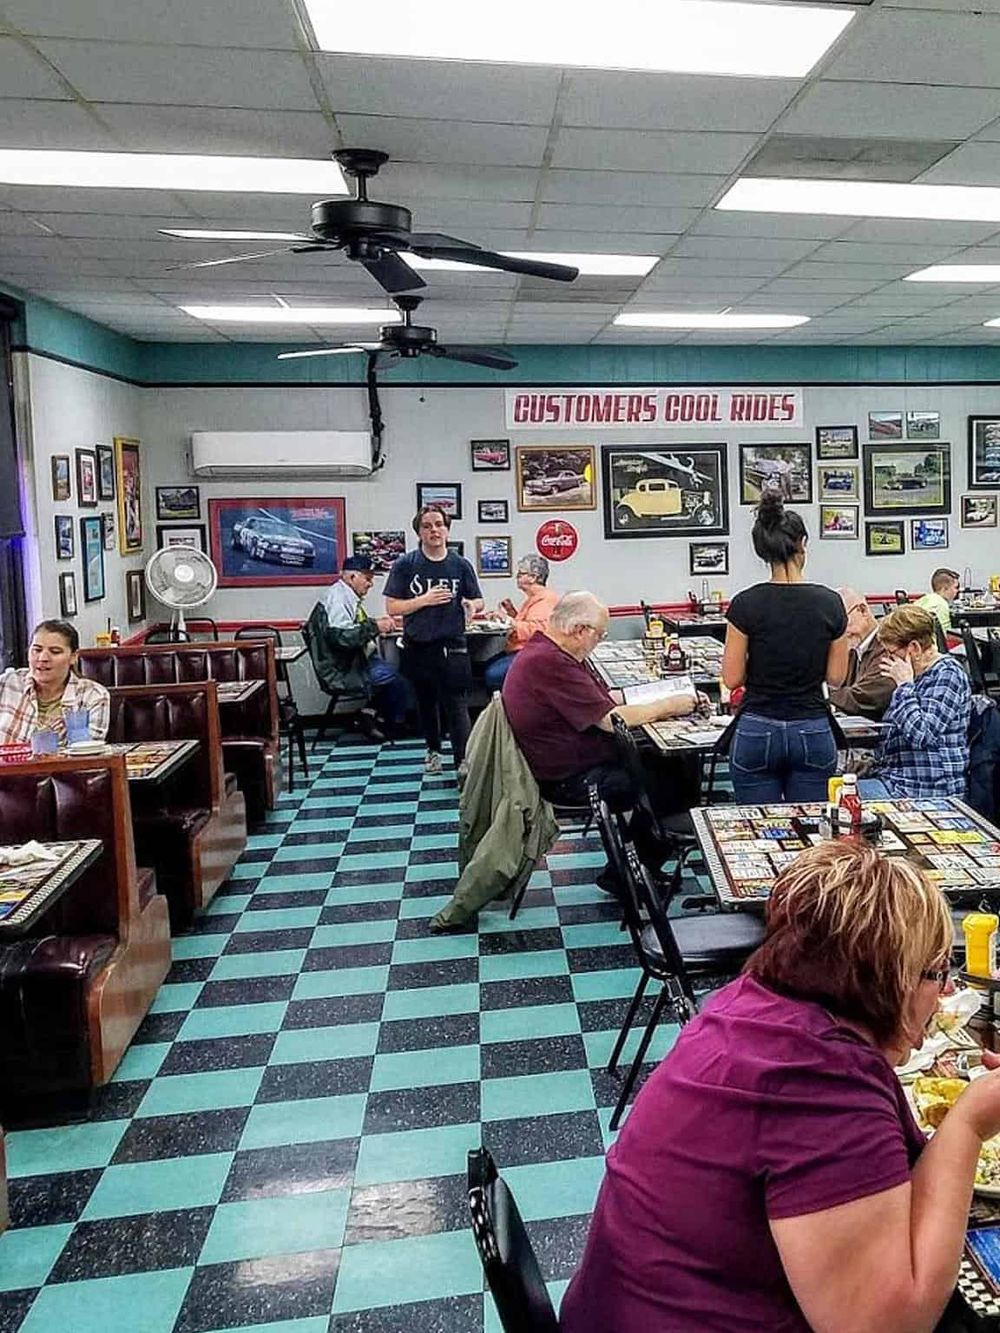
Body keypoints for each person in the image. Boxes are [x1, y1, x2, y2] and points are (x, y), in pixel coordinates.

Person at [561, 838, 1000, 1333]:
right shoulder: (816, 1079)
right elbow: (884, 1323)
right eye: (936, 972)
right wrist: (968, 1122)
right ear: (885, 978)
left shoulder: (751, 1006)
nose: (945, 991)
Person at [502, 590, 699, 876]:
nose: (598, 642)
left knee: (669, 765)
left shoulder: (548, 651)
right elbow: (610, 720)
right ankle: (629, 874)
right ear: (579, 630)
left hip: (572, 761)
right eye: (600, 635)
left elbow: (603, 699)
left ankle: (637, 865)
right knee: (671, 781)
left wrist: (659, 696)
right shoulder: (550, 663)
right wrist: (669, 705)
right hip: (568, 779)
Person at [722, 495, 848, 802]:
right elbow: (836, 678)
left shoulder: (745, 604)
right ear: (802, 543)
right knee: (810, 832)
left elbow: (731, 678)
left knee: (757, 828)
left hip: (757, 727)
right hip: (813, 727)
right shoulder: (831, 603)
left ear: (762, 550)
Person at [384, 505, 483, 775]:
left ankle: (463, 760)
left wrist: (473, 606)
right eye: (427, 526)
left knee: (457, 703)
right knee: (426, 703)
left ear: (447, 529)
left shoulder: (461, 564)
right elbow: (392, 607)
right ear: (419, 532)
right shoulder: (406, 565)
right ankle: (433, 751)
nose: (434, 530)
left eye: (439, 524)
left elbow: (478, 598)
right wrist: (423, 601)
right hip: (419, 645)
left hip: (453, 644)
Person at [861, 604, 971, 799]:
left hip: (925, 788)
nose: (888, 658)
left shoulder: (948, 674)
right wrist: (872, 761)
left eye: (891, 652)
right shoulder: (916, 676)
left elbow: (921, 735)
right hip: (895, 776)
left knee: (838, 801)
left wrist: (903, 685)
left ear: (914, 648)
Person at [319, 554, 409, 734]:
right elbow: (342, 637)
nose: (371, 584)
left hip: (354, 660)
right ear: (352, 577)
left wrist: (377, 623)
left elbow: (354, 627)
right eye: (368, 578)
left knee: (395, 675)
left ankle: (369, 714)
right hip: (346, 668)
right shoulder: (338, 600)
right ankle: (394, 725)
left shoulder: (345, 595)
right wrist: (375, 626)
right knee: (399, 679)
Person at [0, 619, 109, 746]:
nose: (43, 658)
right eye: (37, 650)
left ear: (73, 657)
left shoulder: (93, 695)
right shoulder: (6, 684)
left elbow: (88, 754)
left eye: (55, 652)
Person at [482, 553, 559, 694]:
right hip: (521, 651)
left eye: (521, 573)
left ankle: (504, 708)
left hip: (529, 653)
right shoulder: (535, 598)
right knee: (483, 665)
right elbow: (527, 623)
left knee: (492, 675)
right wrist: (511, 613)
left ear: (533, 577)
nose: (517, 577)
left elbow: (537, 630)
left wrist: (507, 619)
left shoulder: (545, 600)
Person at [828, 586, 894, 719]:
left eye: (841, 621)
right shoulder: (856, 650)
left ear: (862, 610)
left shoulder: (888, 647)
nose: (837, 630)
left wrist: (816, 695)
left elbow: (865, 699)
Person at [917, 567, 961, 634]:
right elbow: (945, 634)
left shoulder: (923, 600)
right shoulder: (941, 605)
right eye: (955, 587)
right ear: (944, 589)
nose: (957, 591)